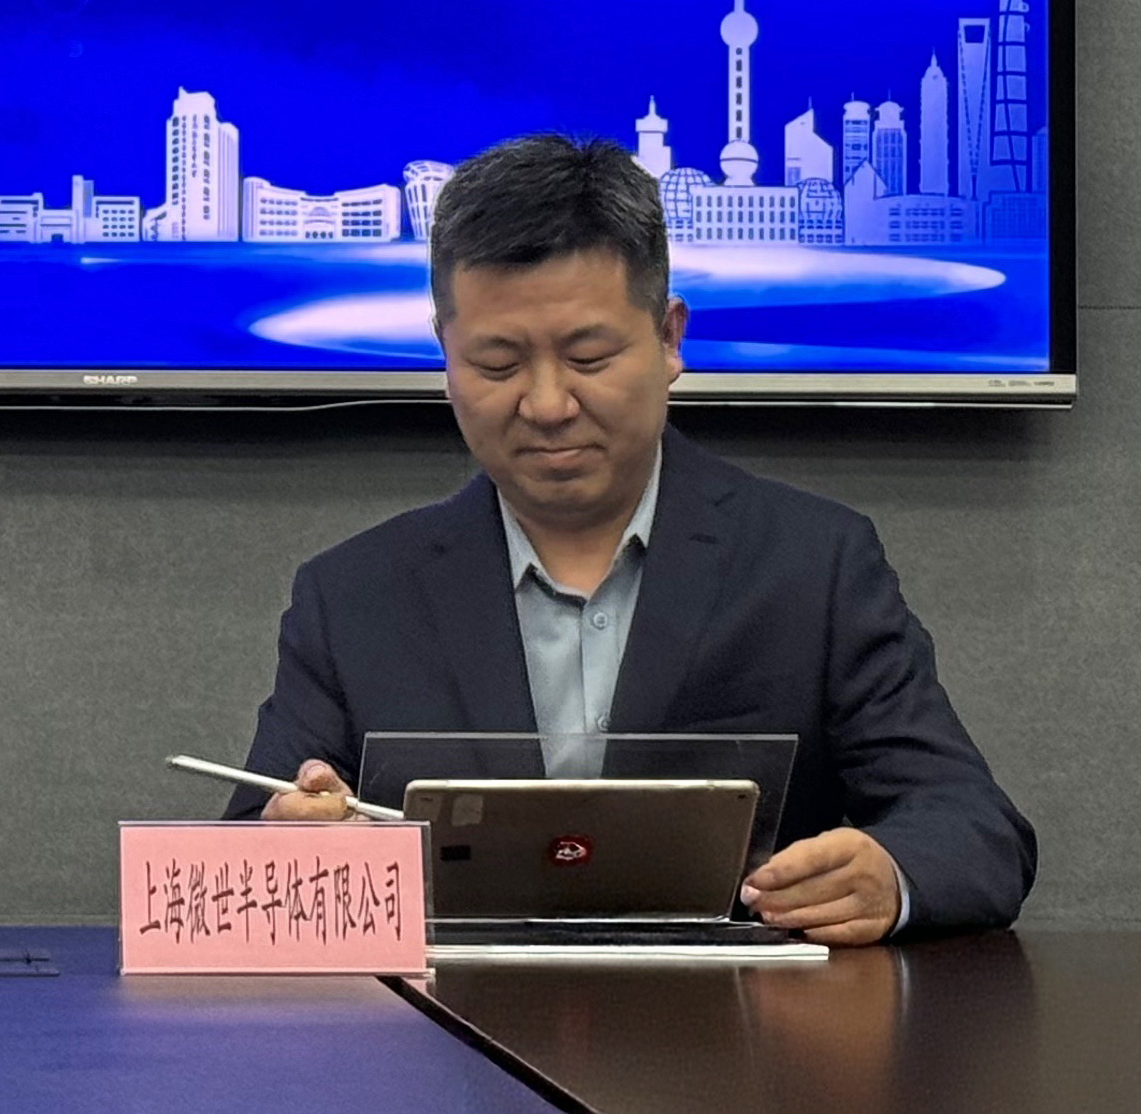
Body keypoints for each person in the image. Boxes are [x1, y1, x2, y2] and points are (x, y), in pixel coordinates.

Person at [232, 134, 1034, 943]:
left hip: (737, 1015)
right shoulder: (353, 595)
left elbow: (973, 825)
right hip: (448, 1016)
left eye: (588, 356)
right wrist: (290, 843)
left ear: (669, 337)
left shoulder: (812, 565)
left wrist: (888, 875)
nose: (548, 404)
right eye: (498, 364)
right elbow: (238, 857)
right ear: (446, 354)